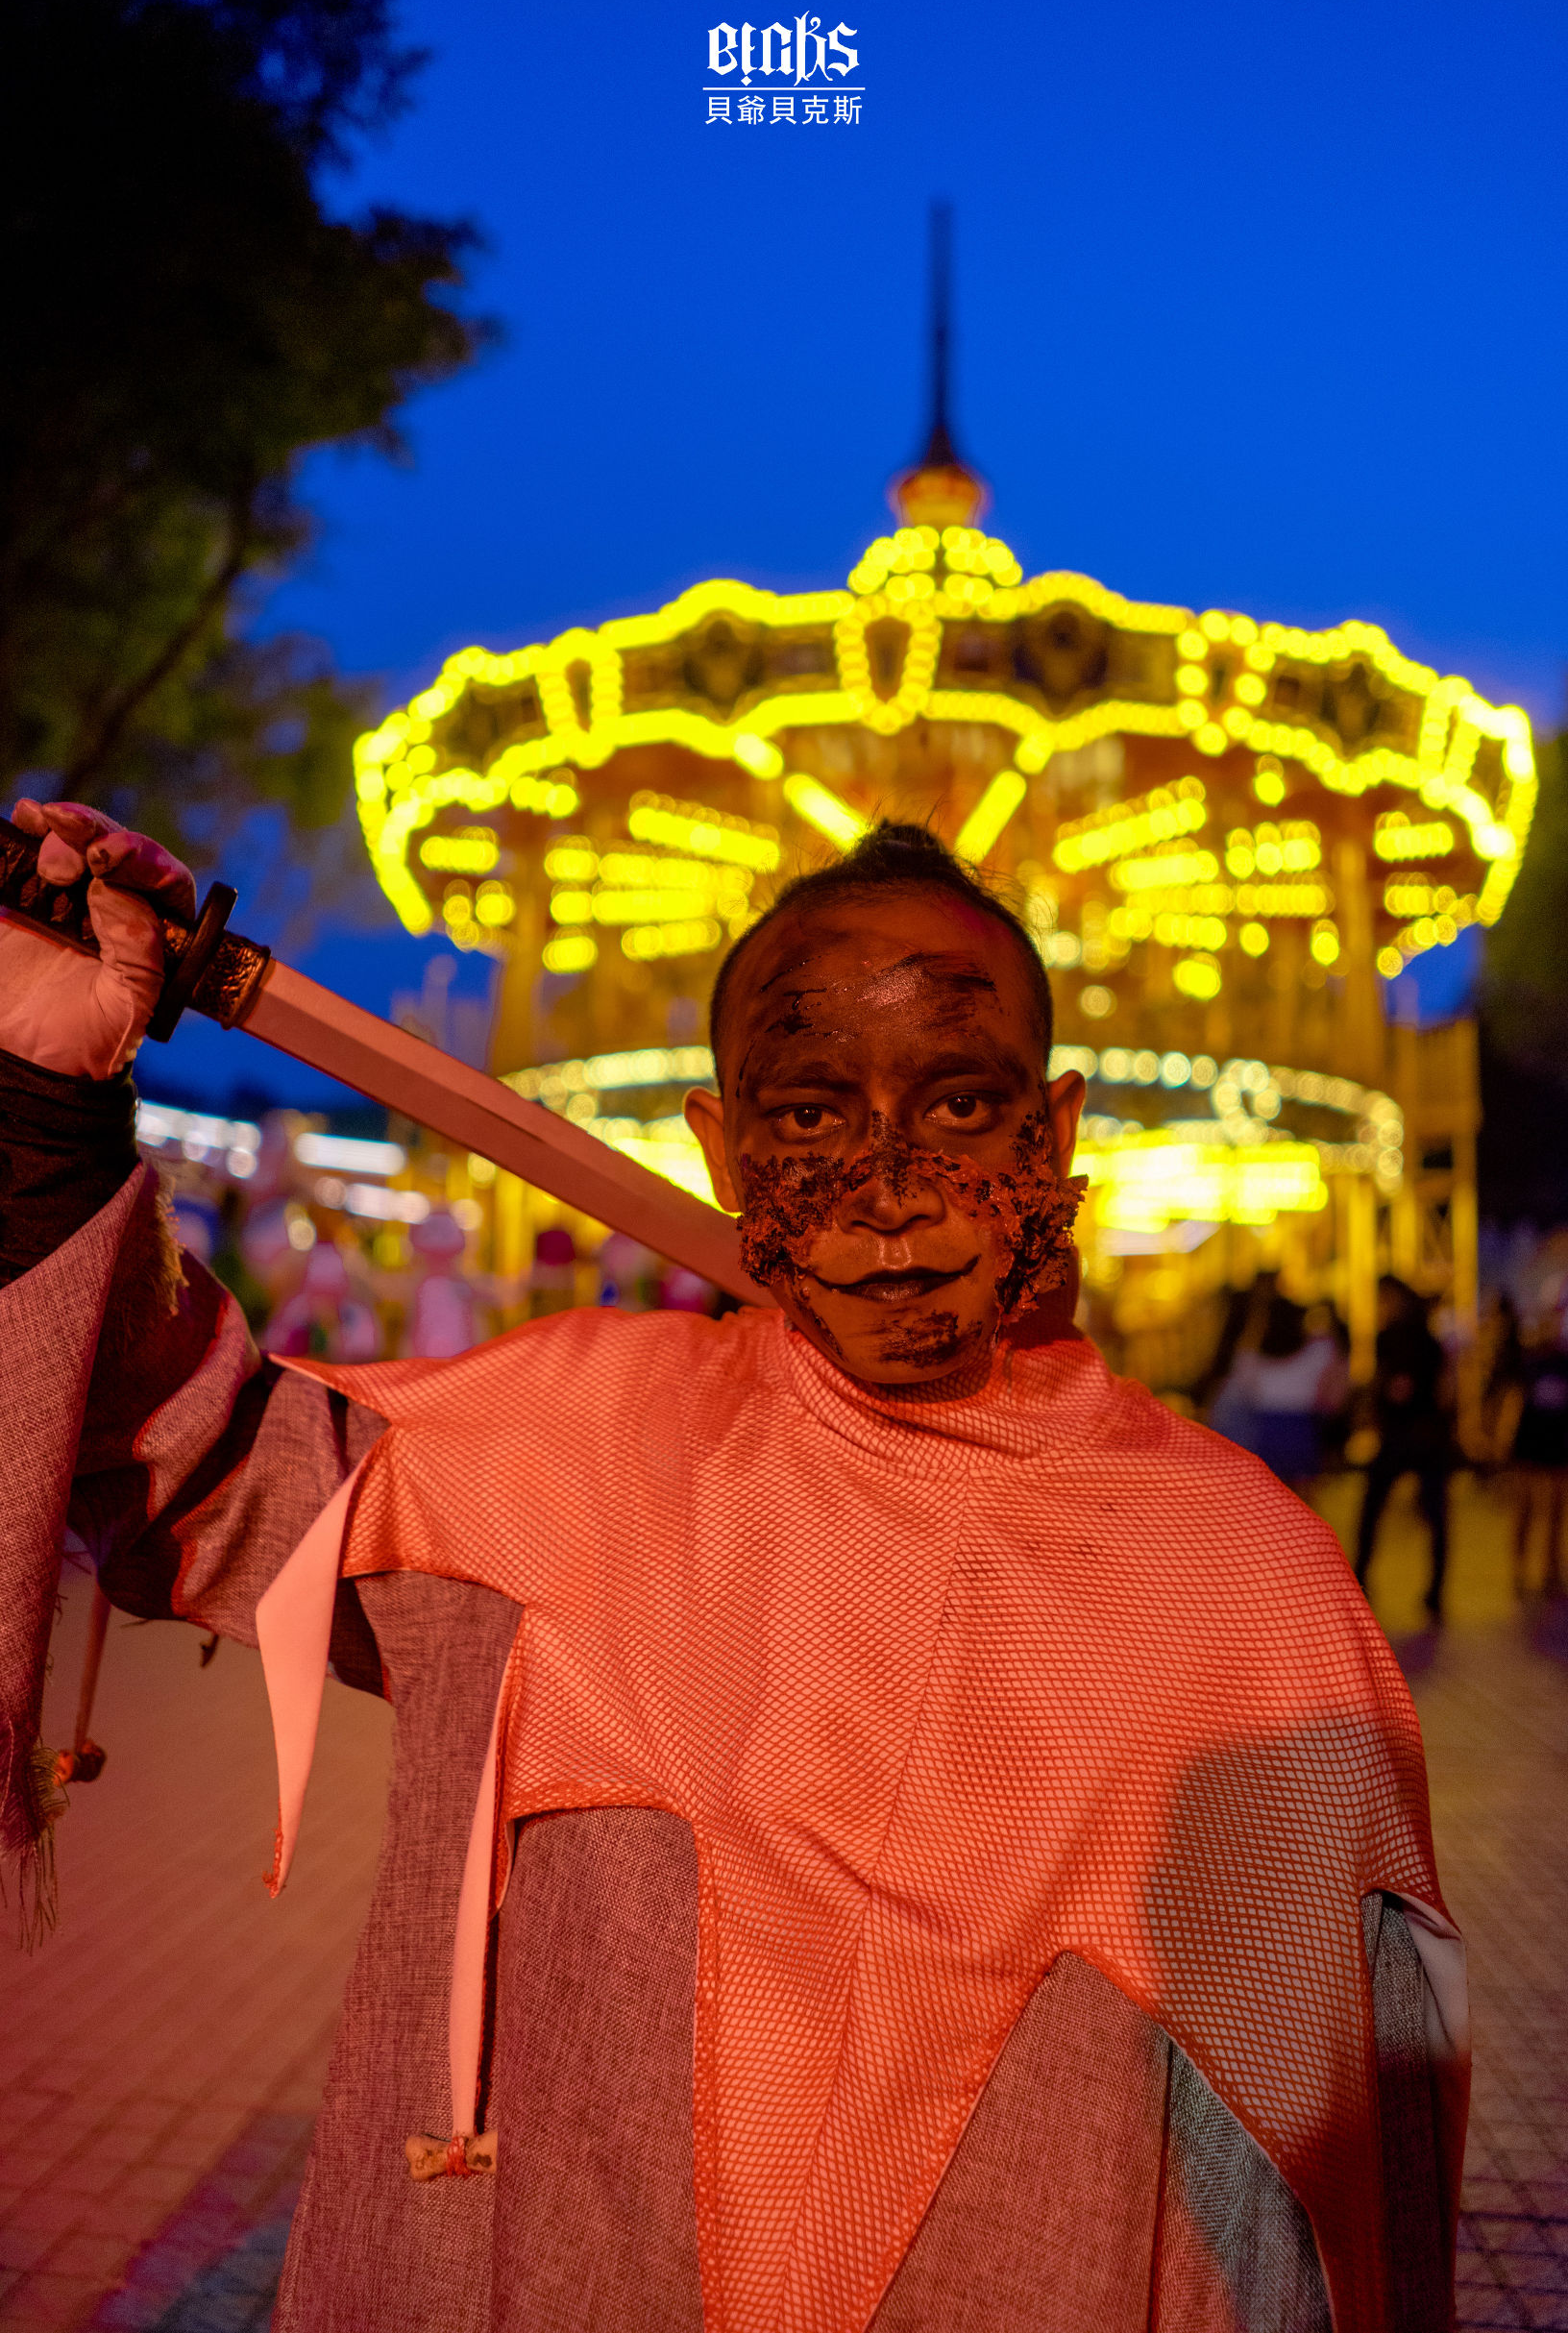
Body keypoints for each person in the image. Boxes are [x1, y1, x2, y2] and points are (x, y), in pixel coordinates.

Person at [1, 798, 1467, 2333]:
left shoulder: (1248, 1589)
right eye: (817, 1115)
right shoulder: (564, 1446)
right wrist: (49, 1116)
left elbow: (1334, 2172)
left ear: (1058, 1129)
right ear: (721, 1145)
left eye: (962, 1107)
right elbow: (207, 1467)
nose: (893, 1189)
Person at [1355, 1277, 1454, 1621]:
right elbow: (1445, 1389)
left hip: (1400, 1435)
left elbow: (1388, 1385)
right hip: (1429, 1434)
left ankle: (1360, 1580)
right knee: (1437, 1517)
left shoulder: (1389, 1338)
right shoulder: (1431, 1341)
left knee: (1371, 1512)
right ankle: (1436, 1591)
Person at [1224, 1296, 1346, 1494]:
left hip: (1264, 1432)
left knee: (1268, 1501)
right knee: (1303, 1503)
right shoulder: (1317, 1352)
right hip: (1302, 1430)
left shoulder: (1251, 1357)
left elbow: (1243, 1386)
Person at [1499, 1311, 1568, 1598]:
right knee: (1526, 1508)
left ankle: (1551, 1569)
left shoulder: (1563, 1364)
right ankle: (1520, 1568)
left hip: (1558, 1445)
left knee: (1555, 1511)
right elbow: (1513, 1402)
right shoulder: (1529, 1363)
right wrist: (1504, 1440)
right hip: (1530, 1444)